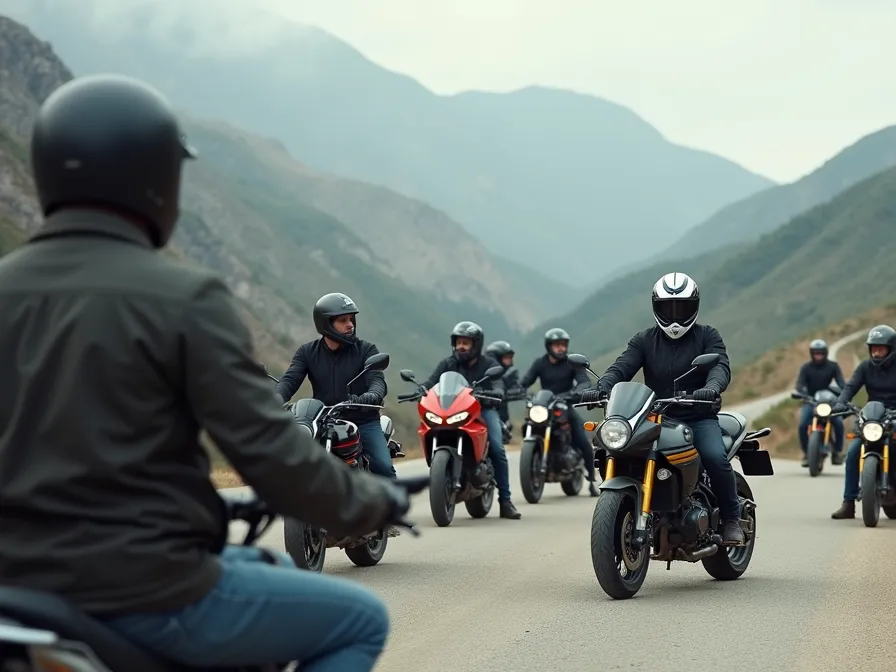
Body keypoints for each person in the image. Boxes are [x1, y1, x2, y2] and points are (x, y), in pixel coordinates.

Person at [0, 73, 408, 671]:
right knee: (359, 620)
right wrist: (371, 504)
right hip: (145, 589)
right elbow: (268, 449)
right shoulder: (182, 297)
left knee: (251, 565)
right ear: (153, 180)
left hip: (18, 588)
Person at [579, 272, 743, 545]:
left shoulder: (707, 336)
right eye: (668, 307)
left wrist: (712, 387)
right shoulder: (644, 340)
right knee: (615, 449)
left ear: (695, 306)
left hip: (697, 417)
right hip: (657, 418)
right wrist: (603, 386)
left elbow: (720, 367)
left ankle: (731, 520)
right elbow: (622, 367)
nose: (675, 315)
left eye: (682, 307)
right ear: (657, 307)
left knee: (715, 457)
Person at [276, 293, 396, 486]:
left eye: (351, 319)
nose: (351, 325)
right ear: (326, 324)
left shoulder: (366, 350)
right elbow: (289, 380)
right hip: (321, 422)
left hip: (363, 420)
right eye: (343, 320)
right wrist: (274, 399)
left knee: (383, 467)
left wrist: (372, 395)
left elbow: (377, 380)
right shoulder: (307, 352)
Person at [830, 325, 896, 518]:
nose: (876, 352)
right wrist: (840, 403)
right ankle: (849, 503)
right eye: (873, 348)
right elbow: (850, 387)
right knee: (852, 453)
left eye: (881, 348)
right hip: (873, 416)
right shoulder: (864, 367)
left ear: (891, 349)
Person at [422, 321, 520, 519]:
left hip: (483, 410)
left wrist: (496, 392)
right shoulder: (448, 363)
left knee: (498, 449)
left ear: (476, 344)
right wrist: (421, 388)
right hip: (454, 411)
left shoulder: (489, 364)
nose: (461, 347)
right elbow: (431, 381)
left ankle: (505, 501)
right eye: (458, 342)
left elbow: (499, 384)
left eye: (465, 343)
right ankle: (445, 476)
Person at [519, 327, 599, 496]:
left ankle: (592, 480)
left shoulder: (573, 362)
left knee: (583, 440)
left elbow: (584, 381)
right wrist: (518, 390)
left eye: (563, 345)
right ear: (549, 346)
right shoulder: (540, 363)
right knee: (528, 424)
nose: (561, 348)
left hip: (565, 405)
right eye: (557, 345)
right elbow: (525, 381)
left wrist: (581, 392)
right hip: (543, 406)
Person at [794, 338, 846, 466]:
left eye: (821, 353)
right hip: (812, 401)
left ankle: (837, 453)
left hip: (829, 402)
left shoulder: (833, 366)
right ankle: (807, 453)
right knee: (802, 425)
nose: (818, 355)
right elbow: (799, 384)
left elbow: (841, 383)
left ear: (825, 353)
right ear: (812, 353)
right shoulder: (806, 368)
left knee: (839, 423)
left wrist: (843, 393)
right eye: (816, 353)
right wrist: (802, 394)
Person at [484, 340, 519, 442]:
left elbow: (518, 386)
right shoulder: (482, 369)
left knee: (498, 447)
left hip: (499, 413)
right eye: (506, 358)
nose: (509, 361)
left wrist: (506, 393)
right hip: (478, 409)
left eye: (510, 358)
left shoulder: (510, 373)